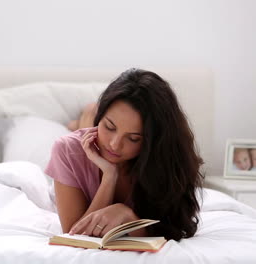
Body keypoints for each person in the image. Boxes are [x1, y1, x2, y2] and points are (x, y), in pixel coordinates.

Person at [45, 68, 204, 241]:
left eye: (133, 138)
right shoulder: (67, 150)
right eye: (109, 127)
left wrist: (128, 217)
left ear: (153, 141)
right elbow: (74, 234)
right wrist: (109, 177)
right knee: (84, 125)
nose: (114, 144)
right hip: (83, 136)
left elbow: (177, 228)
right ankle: (80, 120)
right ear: (101, 116)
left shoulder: (166, 159)